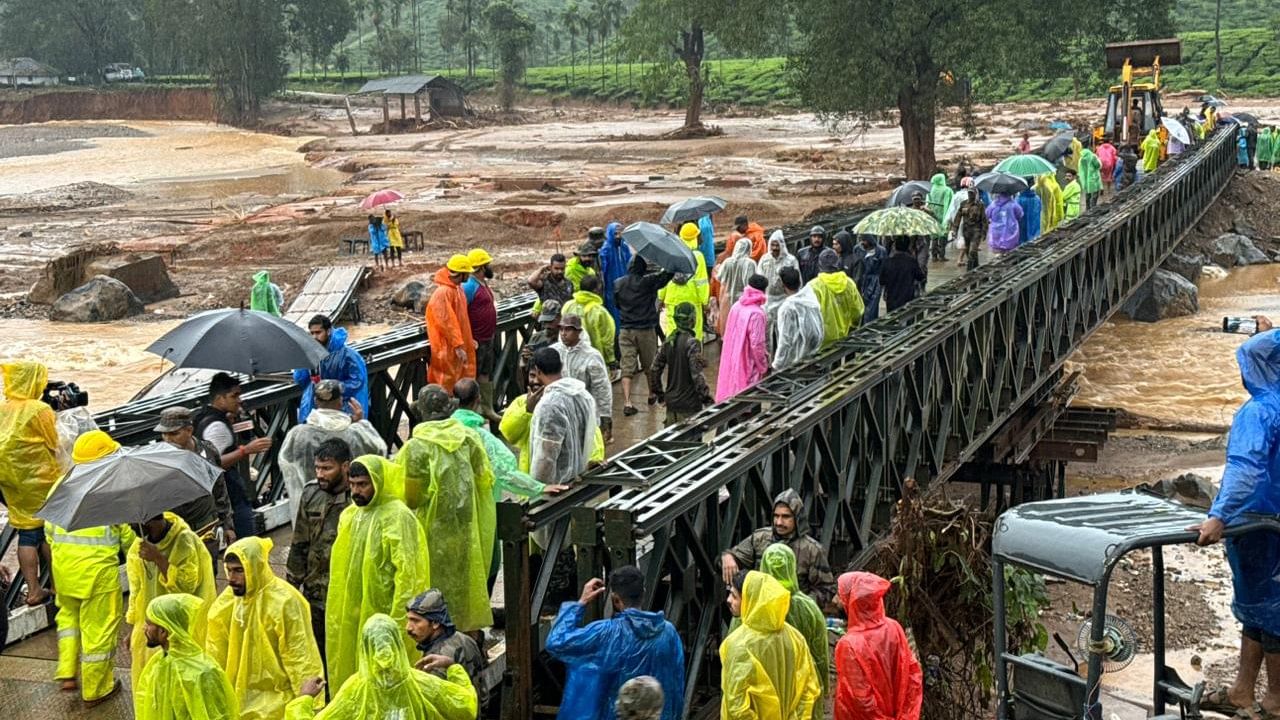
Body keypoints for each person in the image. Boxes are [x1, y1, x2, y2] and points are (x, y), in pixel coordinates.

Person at [1190, 329, 1280, 720]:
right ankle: (1242, 691)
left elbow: (1246, 470)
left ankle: (1275, 700)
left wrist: (1218, 515)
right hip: (1271, 519)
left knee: (1271, 612)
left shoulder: (1259, 411)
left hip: (1257, 525)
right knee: (1257, 610)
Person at [396, 384, 496, 635]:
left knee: (432, 590)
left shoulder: (415, 448)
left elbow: (412, 498)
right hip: (464, 529)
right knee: (464, 587)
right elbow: (484, 479)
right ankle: (469, 641)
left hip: (430, 533)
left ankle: (437, 641)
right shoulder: (469, 438)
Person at [326, 455, 429, 691]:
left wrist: (399, 623)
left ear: (378, 481)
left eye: (362, 484)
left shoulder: (398, 516)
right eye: (352, 484)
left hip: (384, 610)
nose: (355, 491)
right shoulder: (351, 515)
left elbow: (409, 577)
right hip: (353, 610)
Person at [48, 430, 136, 705]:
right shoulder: (112, 493)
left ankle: (66, 671)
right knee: (99, 633)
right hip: (98, 575)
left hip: (65, 571)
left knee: (68, 621)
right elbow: (130, 541)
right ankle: (97, 689)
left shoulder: (59, 487)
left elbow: (49, 533)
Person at [207, 536, 324, 720]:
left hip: (277, 705)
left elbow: (300, 655)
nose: (231, 579)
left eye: (239, 571)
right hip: (238, 701)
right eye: (229, 571)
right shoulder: (226, 604)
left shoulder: (284, 601)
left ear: (256, 566)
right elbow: (215, 652)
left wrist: (310, 703)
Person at [547, 566, 685, 720]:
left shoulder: (605, 633)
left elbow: (556, 642)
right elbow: (677, 686)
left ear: (615, 599)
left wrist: (580, 603)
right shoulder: (668, 632)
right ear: (643, 592)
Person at [287, 614, 478, 720]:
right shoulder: (424, 685)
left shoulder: (354, 693)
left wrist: (304, 699)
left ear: (365, 647)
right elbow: (466, 707)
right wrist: (453, 668)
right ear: (397, 643)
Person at [126, 511, 216, 683]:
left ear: (147, 521)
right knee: (148, 683)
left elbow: (186, 587)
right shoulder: (137, 548)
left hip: (181, 626)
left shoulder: (184, 541)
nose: (129, 527)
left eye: (132, 522)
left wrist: (159, 559)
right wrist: (133, 628)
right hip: (150, 627)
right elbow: (136, 590)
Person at [279, 379, 386, 521]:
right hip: (350, 508)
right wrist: (360, 422)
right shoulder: (355, 432)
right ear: (340, 402)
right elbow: (379, 453)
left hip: (312, 509)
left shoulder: (298, 435)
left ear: (316, 401)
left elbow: (287, 464)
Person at [720, 570, 822, 719]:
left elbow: (736, 706)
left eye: (735, 596)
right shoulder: (794, 637)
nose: (729, 600)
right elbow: (809, 687)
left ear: (752, 600)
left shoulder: (738, 645)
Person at [287, 437, 354, 659]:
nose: (320, 474)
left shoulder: (359, 496)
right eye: (317, 467)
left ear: (345, 466)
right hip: (316, 591)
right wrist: (293, 584)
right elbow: (300, 541)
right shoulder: (311, 493)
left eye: (327, 468)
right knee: (318, 652)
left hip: (347, 591)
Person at [0, 360, 60, 605]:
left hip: (11, 479)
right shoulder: (38, 409)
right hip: (41, 479)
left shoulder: (3, 409)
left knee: (27, 531)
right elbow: (55, 443)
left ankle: (33, 589)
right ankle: (57, 586)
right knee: (48, 530)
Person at [721, 488, 836, 609]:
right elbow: (731, 560)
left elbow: (826, 589)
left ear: (797, 518)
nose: (779, 522)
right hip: (759, 611)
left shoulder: (812, 550)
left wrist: (799, 606)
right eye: (776, 516)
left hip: (792, 616)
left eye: (786, 517)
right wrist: (728, 556)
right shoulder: (760, 538)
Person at [133, 593, 239, 720]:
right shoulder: (159, 661)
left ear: (163, 632)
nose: (144, 628)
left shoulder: (203, 673)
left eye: (149, 623)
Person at [834, 572, 923, 720]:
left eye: (840, 596)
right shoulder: (893, 628)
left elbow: (861, 701)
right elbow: (913, 676)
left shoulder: (849, 645)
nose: (836, 601)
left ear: (852, 601)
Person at [194, 372, 271, 539]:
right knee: (246, 545)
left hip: (214, 499)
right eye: (234, 396)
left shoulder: (203, 417)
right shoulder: (217, 426)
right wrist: (246, 450)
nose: (239, 400)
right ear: (220, 399)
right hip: (230, 497)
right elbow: (214, 463)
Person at [759, 544, 831, 718]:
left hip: (764, 692)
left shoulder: (752, 606)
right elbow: (820, 653)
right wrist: (823, 688)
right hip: (802, 688)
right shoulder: (807, 607)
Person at [155, 406, 235, 560]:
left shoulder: (208, 452)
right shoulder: (158, 460)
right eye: (164, 434)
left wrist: (227, 525)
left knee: (208, 570)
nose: (168, 439)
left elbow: (219, 488)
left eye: (174, 434)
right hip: (174, 531)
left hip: (205, 526)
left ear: (189, 430)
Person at [502, 365, 605, 475]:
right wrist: (527, 411)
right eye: (532, 375)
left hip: (568, 476)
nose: (536, 381)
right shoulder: (521, 402)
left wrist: (593, 459)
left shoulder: (569, 402)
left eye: (539, 376)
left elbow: (591, 433)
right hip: (532, 479)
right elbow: (509, 434)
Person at [528, 347, 599, 486]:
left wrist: (538, 489)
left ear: (537, 371)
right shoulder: (581, 395)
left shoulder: (549, 405)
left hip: (557, 484)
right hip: (577, 476)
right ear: (561, 366)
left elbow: (546, 454)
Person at [615, 256, 672, 415]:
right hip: (646, 330)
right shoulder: (648, 282)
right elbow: (666, 277)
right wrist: (671, 262)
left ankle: (627, 402)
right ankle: (652, 393)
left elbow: (617, 304)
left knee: (627, 367)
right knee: (650, 365)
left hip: (626, 330)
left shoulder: (618, 284)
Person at [293, 313, 370, 424]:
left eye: (318, 332)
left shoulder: (349, 355)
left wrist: (331, 389)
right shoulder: (312, 354)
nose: (314, 337)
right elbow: (300, 379)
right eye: (312, 333)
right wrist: (304, 360)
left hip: (343, 411)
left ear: (328, 331)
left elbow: (357, 382)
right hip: (315, 411)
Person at [405, 589, 487, 691]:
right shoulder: (465, 639)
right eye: (408, 620)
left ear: (435, 623)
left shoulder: (436, 661)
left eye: (416, 621)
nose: (408, 628)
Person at [650, 303, 713, 427]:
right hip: (689, 406)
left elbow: (654, 369)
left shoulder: (669, 341)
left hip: (672, 405)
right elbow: (696, 376)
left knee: (672, 444)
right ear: (691, 320)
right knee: (692, 444)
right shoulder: (692, 343)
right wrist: (707, 399)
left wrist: (660, 394)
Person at [553, 314, 613, 442]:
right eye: (561, 329)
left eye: (568, 329)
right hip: (561, 410)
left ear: (579, 332)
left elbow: (601, 388)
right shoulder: (555, 352)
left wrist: (604, 416)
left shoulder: (591, 356)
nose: (563, 333)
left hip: (585, 411)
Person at [461, 247, 503, 422]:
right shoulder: (469, 286)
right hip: (476, 340)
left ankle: (487, 407)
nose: (490, 267)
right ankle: (476, 410)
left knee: (485, 372)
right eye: (487, 264)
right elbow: (461, 312)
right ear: (480, 267)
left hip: (487, 337)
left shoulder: (482, 284)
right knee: (473, 373)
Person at [426, 254, 477, 393]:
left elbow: (461, 320)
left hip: (456, 346)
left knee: (460, 381)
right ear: (461, 274)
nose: (469, 276)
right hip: (447, 348)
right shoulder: (443, 293)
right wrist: (458, 345)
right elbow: (446, 322)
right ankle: (446, 411)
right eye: (467, 273)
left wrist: (467, 340)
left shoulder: (457, 289)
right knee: (446, 383)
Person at [717, 274, 769, 402]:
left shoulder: (736, 306)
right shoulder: (757, 314)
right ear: (764, 290)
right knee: (748, 408)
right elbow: (757, 345)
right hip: (748, 370)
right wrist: (764, 366)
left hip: (730, 367)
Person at [809, 248, 865, 349]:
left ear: (820, 264)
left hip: (823, 338)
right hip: (844, 333)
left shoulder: (814, 286)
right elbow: (857, 310)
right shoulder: (849, 283)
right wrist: (853, 325)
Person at [772, 268, 825, 372]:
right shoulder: (809, 297)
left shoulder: (787, 308)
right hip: (812, 353)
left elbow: (785, 340)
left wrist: (777, 364)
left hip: (794, 359)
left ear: (783, 285)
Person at [563, 274, 618, 369]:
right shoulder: (599, 311)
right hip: (595, 360)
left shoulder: (568, 305)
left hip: (572, 358)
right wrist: (611, 359)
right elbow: (607, 338)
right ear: (595, 290)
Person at [715, 237, 758, 337]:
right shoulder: (749, 263)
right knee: (742, 331)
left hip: (727, 299)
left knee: (729, 329)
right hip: (743, 300)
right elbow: (752, 283)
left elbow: (720, 278)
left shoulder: (727, 262)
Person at [757, 230, 800, 319]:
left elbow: (797, 281)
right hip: (768, 301)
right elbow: (759, 278)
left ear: (782, 245)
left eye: (777, 245)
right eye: (773, 245)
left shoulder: (790, 260)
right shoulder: (764, 259)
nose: (775, 248)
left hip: (784, 299)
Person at [657, 271, 708, 342]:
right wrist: (704, 301)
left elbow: (664, 277)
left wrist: (661, 296)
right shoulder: (698, 259)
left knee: (673, 327)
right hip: (692, 298)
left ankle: (672, 347)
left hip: (673, 298)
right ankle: (693, 348)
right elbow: (701, 280)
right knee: (694, 328)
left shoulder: (669, 260)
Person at [880, 237, 926, 313]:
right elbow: (920, 277)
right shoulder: (911, 261)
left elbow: (882, 280)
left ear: (895, 247)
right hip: (908, 297)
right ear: (908, 246)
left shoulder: (888, 262)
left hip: (892, 299)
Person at [599, 221, 631, 330]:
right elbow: (602, 270)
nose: (618, 236)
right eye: (615, 234)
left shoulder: (624, 247)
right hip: (611, 288)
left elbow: (629, 263)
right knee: (614, 315)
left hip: (625, 286)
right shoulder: (606, 249)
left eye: (620, 233)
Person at [950, 187, 988, 271]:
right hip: (966, 231)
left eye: (972, 193)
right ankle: (976, 267)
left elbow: (984, 219)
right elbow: (958, 217)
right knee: (968, 252)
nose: (970, 195)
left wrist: (984, 232)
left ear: (975, 194)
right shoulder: (963, 204)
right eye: (969, 193)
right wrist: (954, 230)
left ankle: (969, 272)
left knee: (972, 251)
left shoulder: (980, 205)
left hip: (976, 230)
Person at [858, 236, 886, 323]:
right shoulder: (858, 249)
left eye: (865, 240)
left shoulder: (881, 251)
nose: (863, 242)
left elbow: (883, 268)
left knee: (872, 308)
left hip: (875, 282)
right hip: (862, 280)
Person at [926, 173, 953, 260]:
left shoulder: (930, 190)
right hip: (943, 215)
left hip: (933, 214)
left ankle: (934, 256)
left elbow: (928, 203)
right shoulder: (947, 190)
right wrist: (948, 217)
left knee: (934, 236)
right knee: (943, 235)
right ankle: (942, 255)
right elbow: (949, 203)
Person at [1079, 144, 1103, 210]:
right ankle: (1093, 209)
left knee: (1087, 194)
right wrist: (1098, 159)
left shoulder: (1081, 157)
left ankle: (1087, 209)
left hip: (1085, 179)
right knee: (1095, 195)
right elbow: (1098, 165)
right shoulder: (1092, 156)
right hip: (1093, 179)